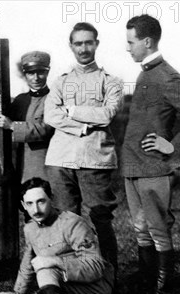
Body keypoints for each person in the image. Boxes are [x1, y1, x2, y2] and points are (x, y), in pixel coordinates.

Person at [123, 14, 180, 294]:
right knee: (141, 230)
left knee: (158, 230)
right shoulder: (146, 72)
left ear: (147, 42)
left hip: (154, 168)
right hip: (134, 167)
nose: (127, 48)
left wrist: (172, 147)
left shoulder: (167, 76)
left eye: (131, 42)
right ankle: (147, 287)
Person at [0, 178, 114, 294]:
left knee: (45, 268)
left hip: (94, 291)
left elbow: (96, 267)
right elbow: (28, 260)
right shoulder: (30, 228)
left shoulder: (73, 223)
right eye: (30, 203)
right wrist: (17, 291)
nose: (36, 209)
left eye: (41, 201)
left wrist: (55, 261)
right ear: (23, 205)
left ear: (51, 198)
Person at [43, 23, 124, 275]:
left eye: (89, 42)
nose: (84, 48)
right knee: (67, 220)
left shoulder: (111, 81)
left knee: (100, 217)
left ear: (97, 44)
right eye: (78, 43)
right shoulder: (60, 82)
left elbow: (108, 114)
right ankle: (71, 275)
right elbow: (50, 116)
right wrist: (82, 127)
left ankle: (109, 274)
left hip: (95, 158)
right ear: (71, 47)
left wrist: (73, 110)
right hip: (61, 159)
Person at [0, 51, 55, 184]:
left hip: (46, 167)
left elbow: (47, 129)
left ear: (48, 72)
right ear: (25, 74)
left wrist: (12, 126)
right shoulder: (20, 101)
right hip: (20, 168)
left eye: (41, 72)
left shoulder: (55, 99)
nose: (36, 78)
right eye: (31, 73)